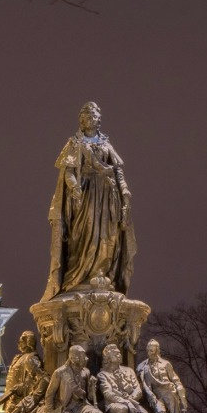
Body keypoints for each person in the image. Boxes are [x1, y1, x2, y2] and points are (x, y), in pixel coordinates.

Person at [44, 102, 136, 300]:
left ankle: (102, 274)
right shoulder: (74, 144)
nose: (91, 119)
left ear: (98, 120)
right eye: (87, 116)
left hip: (107, 196)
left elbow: (118, 170)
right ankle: (78, 276)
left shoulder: (106, 145)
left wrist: (125, 190)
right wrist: (74, 186)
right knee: (82, 235)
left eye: (94, 116)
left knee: (108, 236)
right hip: (86, 196)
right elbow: (68, 171)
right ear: (81, 121)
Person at [137, 339, 191, 413]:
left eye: (152, 350)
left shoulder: (165, 364)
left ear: (157, 350)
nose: (150, 352)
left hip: (169, 394)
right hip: (153, 397)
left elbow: (175, 380)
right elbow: (140, 384)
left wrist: (182, 396)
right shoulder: (142, 366)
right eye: (148, 350)